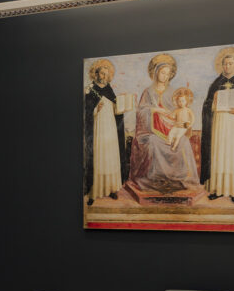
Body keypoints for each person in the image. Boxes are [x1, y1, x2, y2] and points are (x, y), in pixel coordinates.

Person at [128, 54, 202, 194]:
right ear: (156, 73)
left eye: (168, 74)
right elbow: (141, 112)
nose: (165, 76)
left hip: (171, 128)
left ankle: (179, 179)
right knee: (152, 143)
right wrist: (155, 110)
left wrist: (179, 121)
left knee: (184, 142)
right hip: (151, 131)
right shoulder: (148, 92)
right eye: (162, 73)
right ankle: (154, 180)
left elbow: (179, 111)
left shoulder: (173, 92)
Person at [201, 47, 234, 202]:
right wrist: (213, 104)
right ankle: (217, 189)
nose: (227, 67)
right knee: (218, 156)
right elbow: (207, 105)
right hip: (218, 125)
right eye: (225, 64)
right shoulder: (216, 83)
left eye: (230, 64)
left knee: (232, 156)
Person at [84, 59, 128, 205]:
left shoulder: (109, 89)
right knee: (99, 157)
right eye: (101, 73)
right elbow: (87, 112)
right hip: (98, 128)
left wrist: (122, 107)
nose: (103, 76)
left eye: (106, 73)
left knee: (110, 156)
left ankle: (111, 189)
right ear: (96, 73)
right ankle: (95, 192)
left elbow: (116, 110)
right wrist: (97, 109)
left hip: (110, 129)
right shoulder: (91, 89)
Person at [167, 87, 195, 151]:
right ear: (177, 102)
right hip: (177, 125)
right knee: (171, 133)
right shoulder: (177, 110)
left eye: (182, 101)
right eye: (179, 101)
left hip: (184, 126)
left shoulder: (188, 110)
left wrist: (190, 124)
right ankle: (169, 142)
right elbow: (172, 116)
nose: (181, 102)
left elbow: (192, 118)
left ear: (186, 101)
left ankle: (174, 147)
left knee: (178, 136)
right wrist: (169, 115)